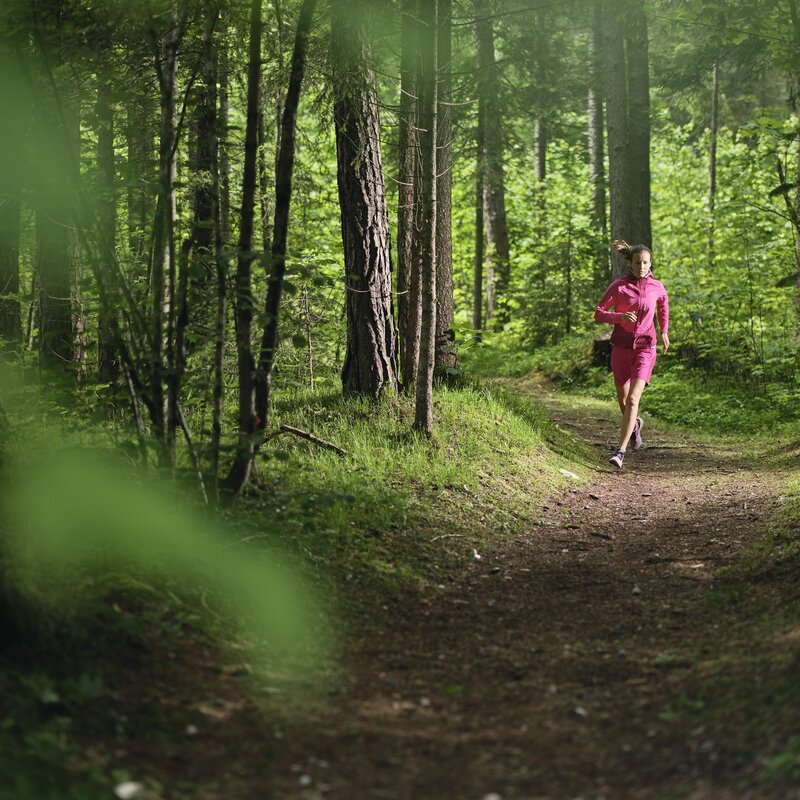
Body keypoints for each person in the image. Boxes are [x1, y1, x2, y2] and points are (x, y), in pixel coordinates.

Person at [594, 240, 670, 469]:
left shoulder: (656, 286)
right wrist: (619, 317)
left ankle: (620, 451)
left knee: (634, 399)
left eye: (645, 262)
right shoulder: (619, 286)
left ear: (650, 263)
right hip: (621, 348)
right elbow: (599, 313)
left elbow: (663, 306)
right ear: (631, 263)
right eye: (638, 262)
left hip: (646, 348)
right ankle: (635, 425)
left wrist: (664, 331)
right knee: (625, 402)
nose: (642, 267)